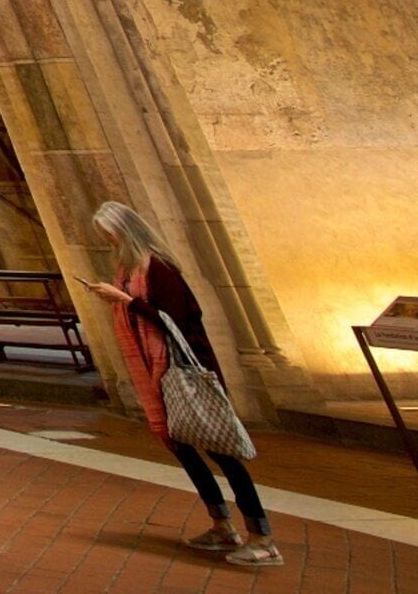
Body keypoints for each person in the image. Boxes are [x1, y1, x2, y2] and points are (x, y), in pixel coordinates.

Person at [84, 198, 279, 569]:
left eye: (110, 237)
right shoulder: (127, 270)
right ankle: (222, 525)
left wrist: (125, 300)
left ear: (127, 233)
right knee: (184, 449)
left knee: (222, 452)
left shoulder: (159, 269)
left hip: (184, 371)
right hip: (154, 375)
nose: (109, 244)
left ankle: (262, 537)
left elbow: (176, 320)